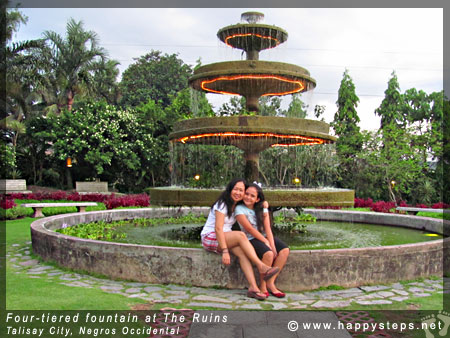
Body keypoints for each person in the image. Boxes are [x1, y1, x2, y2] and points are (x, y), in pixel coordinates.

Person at [200, 178, 279, 300]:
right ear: (230, 190)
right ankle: (261, 266)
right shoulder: (222, 204)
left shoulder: (237, 205)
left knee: (243, 254)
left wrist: (264, 205)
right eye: (235, 189)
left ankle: (253, 288)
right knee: (241, 235)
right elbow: (218, 229)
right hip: (210, 236)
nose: (238, 193)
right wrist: (225, 251)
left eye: (241, 190)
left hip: (226, 236)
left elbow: (254, 203)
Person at [235, 182, 290, 298]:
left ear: (257, 199)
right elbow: (249, 229)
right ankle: (263, 286)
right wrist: (266, 243)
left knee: (284, 250)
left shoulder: (262, 208)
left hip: (264, 236)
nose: (248, 197)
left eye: (252, 196)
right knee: (268, 254)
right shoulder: (239, 209)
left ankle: (271, 282)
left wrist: (272, 244)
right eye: (247, 194)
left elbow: (267, 228)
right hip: (250, 238)